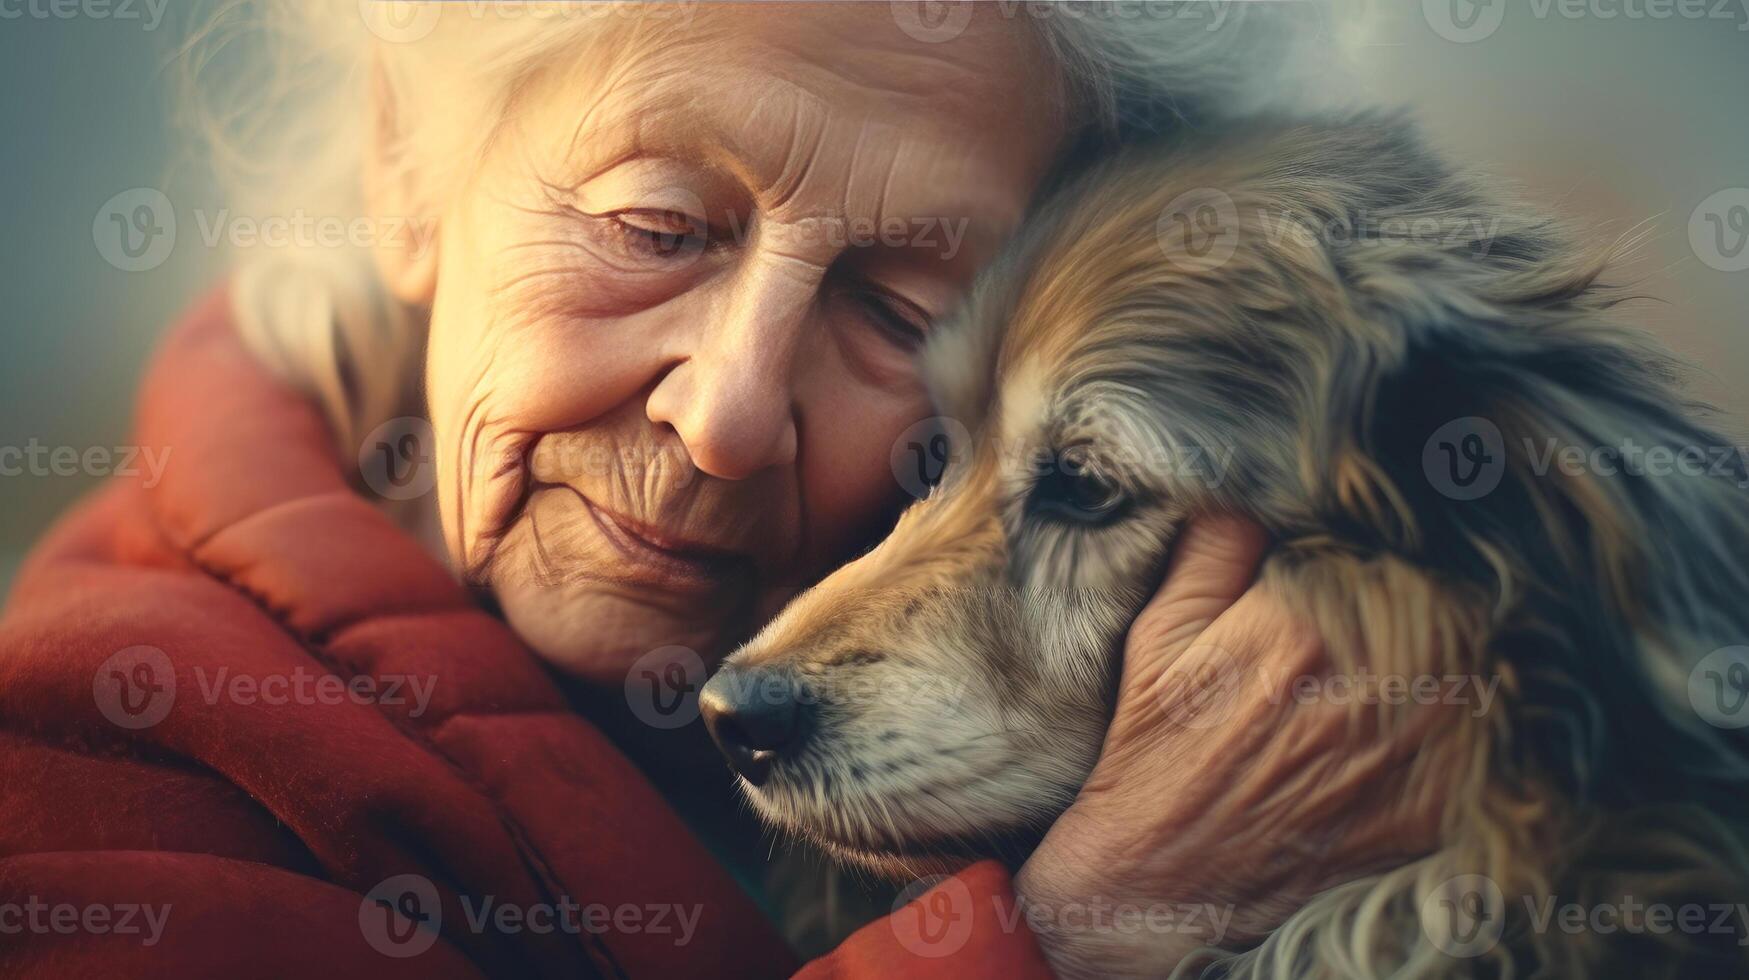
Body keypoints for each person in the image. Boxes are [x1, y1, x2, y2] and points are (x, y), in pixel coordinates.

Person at [0, 3, 1426, 976]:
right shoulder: (98, 764)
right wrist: (1074, 928)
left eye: (898, 311)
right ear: (412, 169)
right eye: (656, 227)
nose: (730, 415)